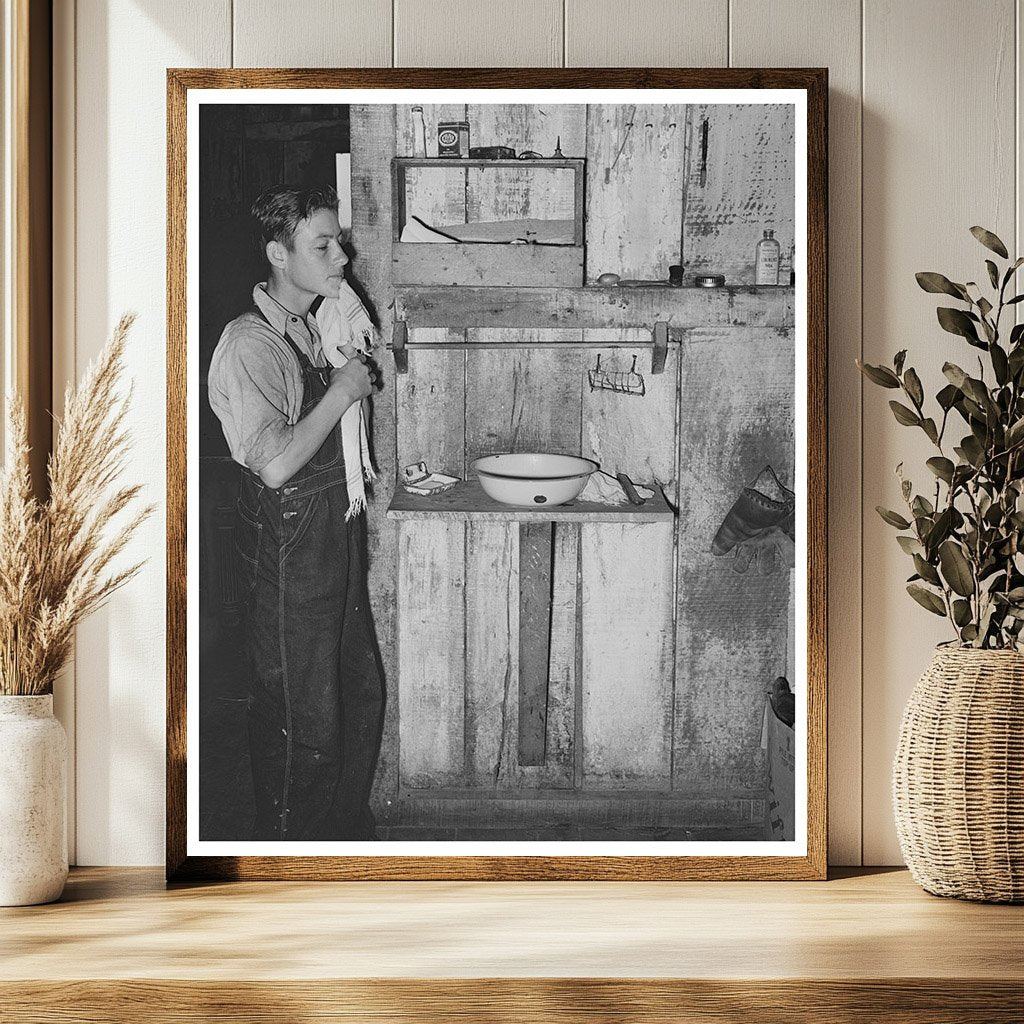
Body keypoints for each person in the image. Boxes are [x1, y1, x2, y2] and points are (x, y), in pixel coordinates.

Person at [207, 184, 385, 841]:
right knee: (301, 723)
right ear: (279, 255)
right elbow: (277, 465)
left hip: (331, 543)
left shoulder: (315, 325)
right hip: (288, 560)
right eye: (323, 245)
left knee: (356, 696)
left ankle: (338, 838)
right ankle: (292, 856)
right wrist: (341, 391)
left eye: (338, 241)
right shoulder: (249, 345)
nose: (341, 255)